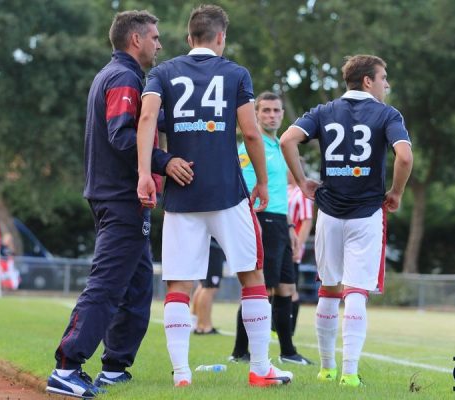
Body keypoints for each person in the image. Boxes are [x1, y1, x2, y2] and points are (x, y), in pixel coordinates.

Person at [137, 4, 292, 388]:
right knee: (252, 275)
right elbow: (252, 133)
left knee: (178, 284)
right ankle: (260, 369)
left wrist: (147, 172)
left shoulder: (162, 72)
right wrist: (263, 183)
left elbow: (145, 121)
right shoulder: (235, 73)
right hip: (227, 192)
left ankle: (182, 375)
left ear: (189, 38)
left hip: (182, 195)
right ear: (221, 37)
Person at [46, 11, 193, 399]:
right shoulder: (125, 78)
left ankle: (113, 369)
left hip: (115, 195)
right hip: (120, 197)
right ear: (136, 40)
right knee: (108, 285)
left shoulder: (113, 74)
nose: (160, 44)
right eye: (155, 37)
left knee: (137, 285)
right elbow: (122, 135)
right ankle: (66, 367)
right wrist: (165, 162)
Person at [281, 54, 413, 387]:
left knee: (328, 289)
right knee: (355, 291)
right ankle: (349, 373)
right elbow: (405, 155)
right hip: (366, 213)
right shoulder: (387, 114)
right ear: (368, 80)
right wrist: (396, 191)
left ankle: (326, 368)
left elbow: (287, 139)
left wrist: (300, 182)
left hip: (328, 211)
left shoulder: (324, 111)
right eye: (383, 78)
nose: (386, 84)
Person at [232, 92, 312, 366]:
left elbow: (282, 190)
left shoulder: (279, 145)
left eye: (276, 110)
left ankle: (288, 352)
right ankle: (240, 352)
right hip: (262, 222)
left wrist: (290, 224)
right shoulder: (250, 148)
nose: (272, 115)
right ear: (255, 114)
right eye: (265, 110)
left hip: (280, 223)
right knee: (260, 290)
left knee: (286, 289)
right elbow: (245, 191)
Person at [287, 167, 314, 334]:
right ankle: (276, 326)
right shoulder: (285, 190)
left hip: (292, 246)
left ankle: (290, 330)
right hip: (280, 243)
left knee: (290, 288)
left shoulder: (301, 193)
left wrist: (299, 245)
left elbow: (306, 221)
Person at [191, 238, 225, 335]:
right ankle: (204, 326)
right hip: (212, 247)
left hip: (206, 246)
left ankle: (196, 322)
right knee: (209, 287)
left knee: (203, 285)